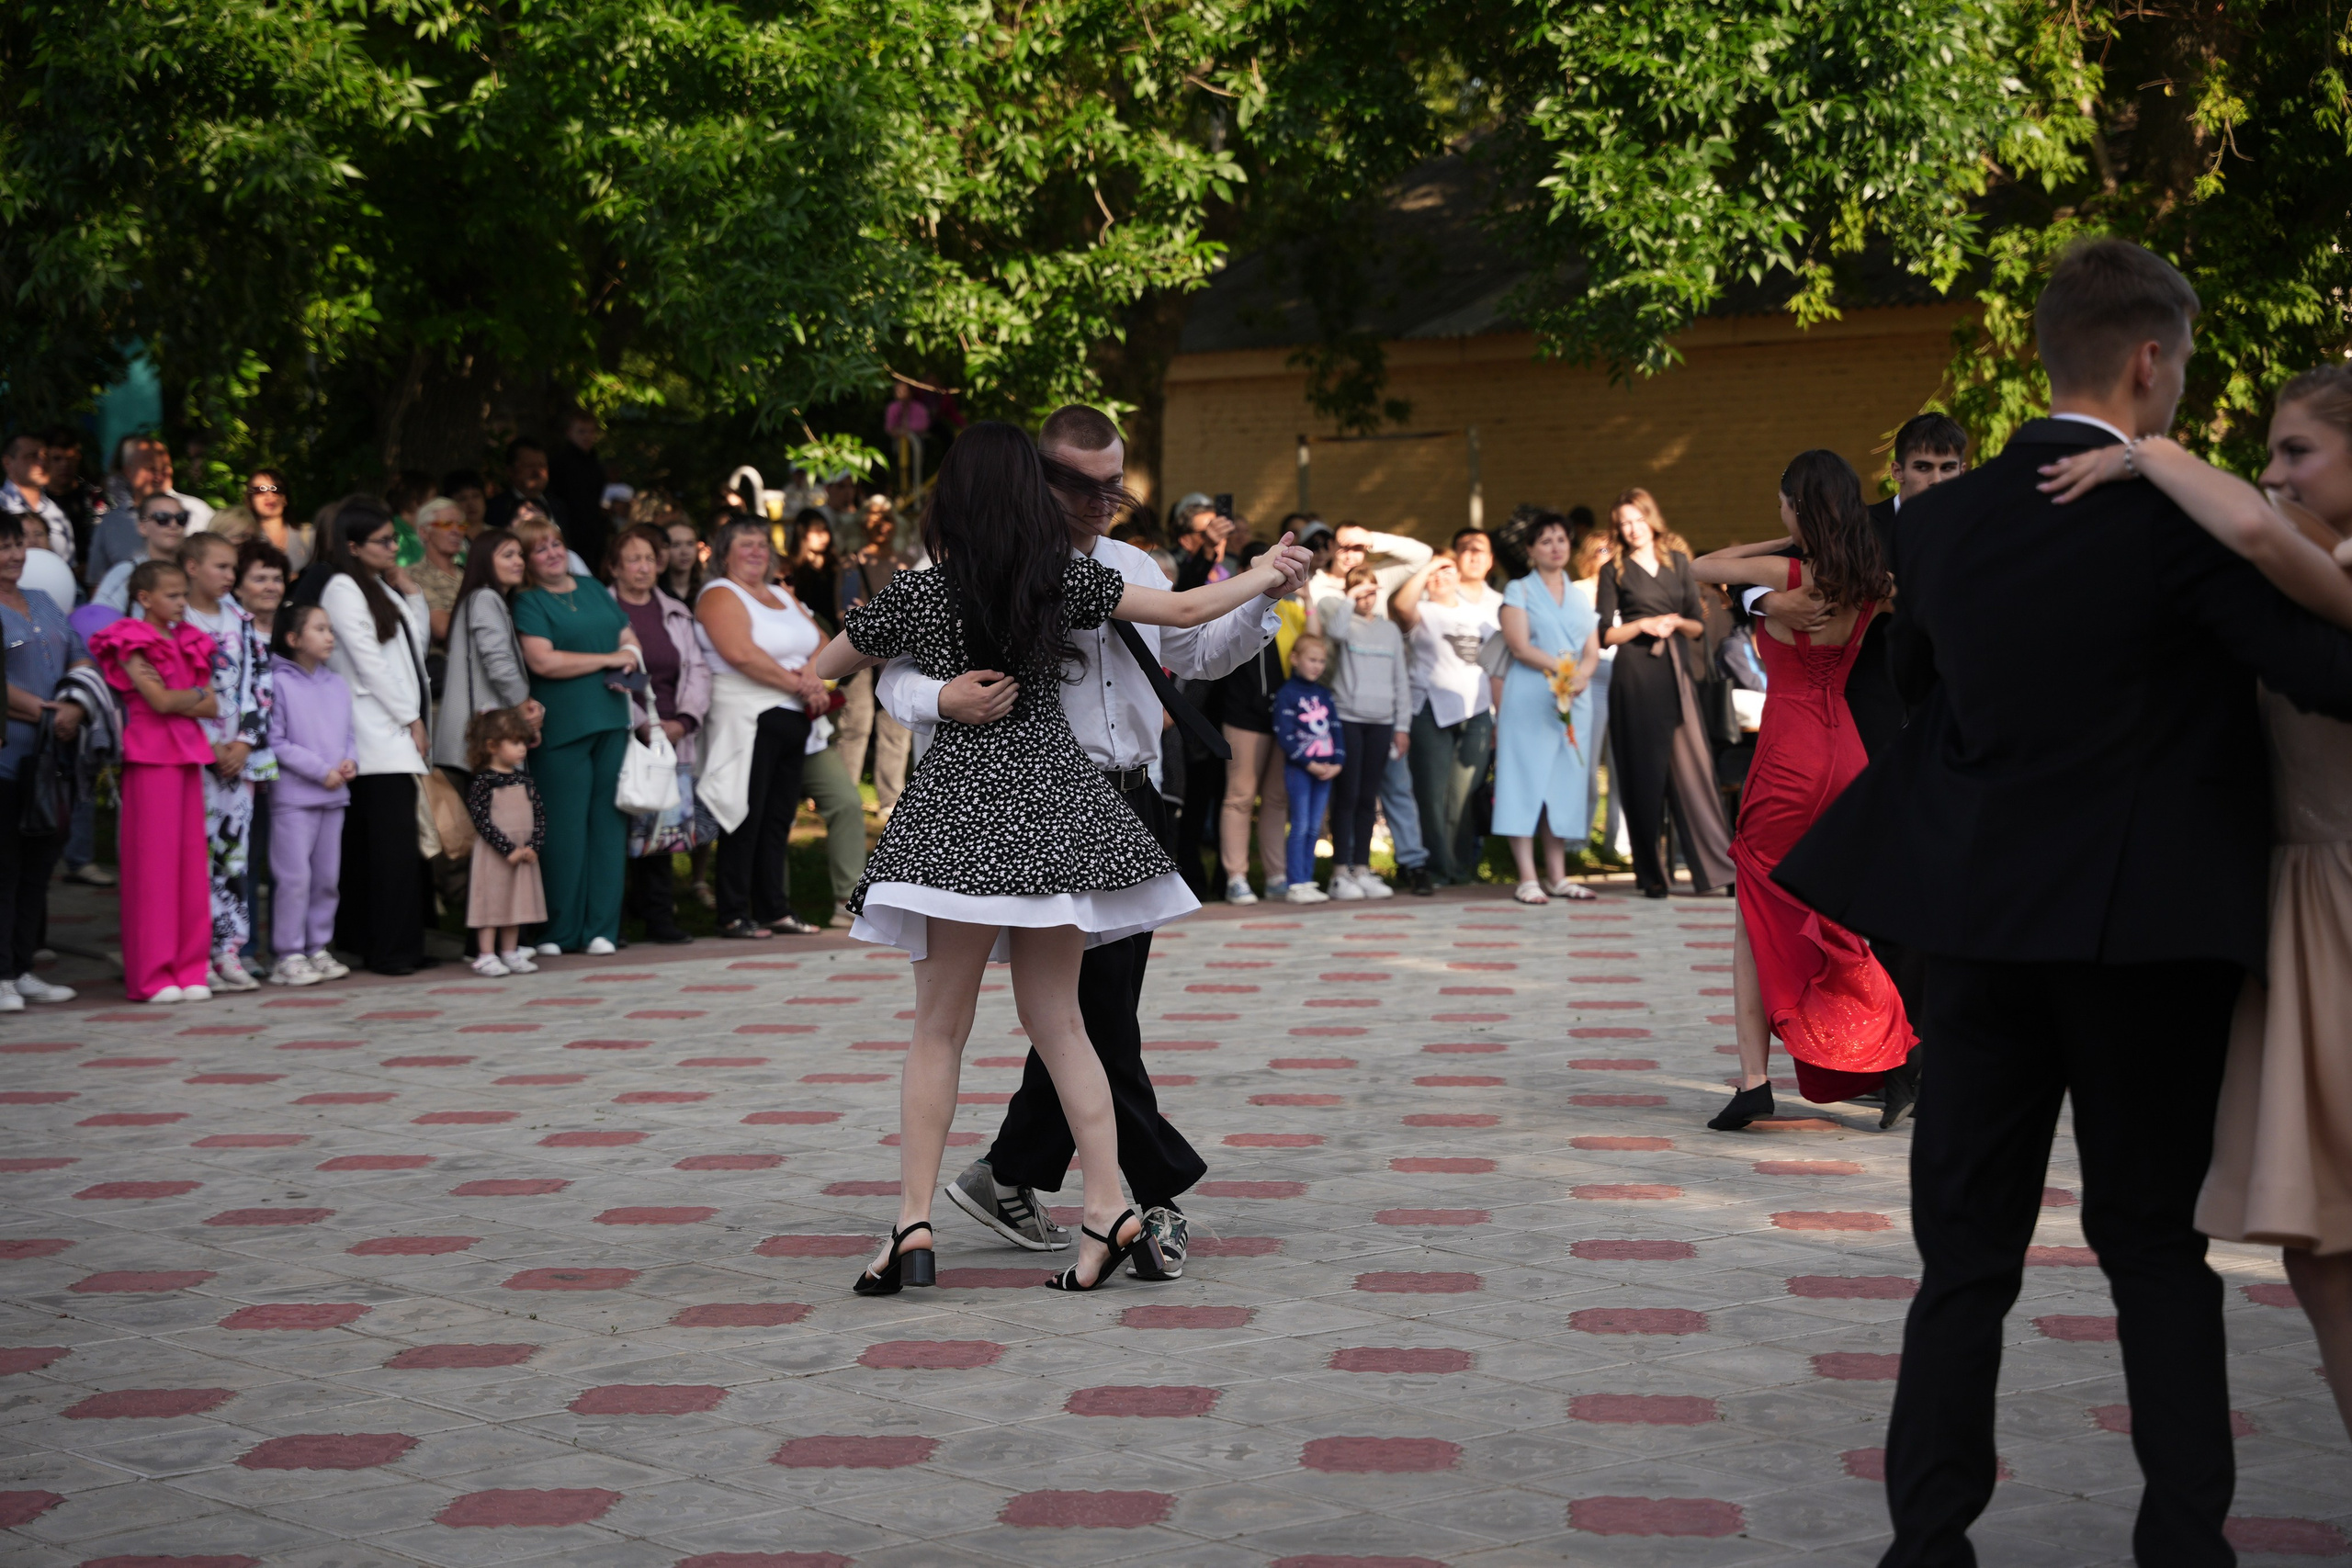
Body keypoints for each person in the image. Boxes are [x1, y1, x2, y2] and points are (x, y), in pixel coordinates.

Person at [1775, 239, 2352, 1568]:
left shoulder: (1939, 519)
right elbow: (2322, 671)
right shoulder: (2177, 517)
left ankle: (1928, 1539)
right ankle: (2183, 1543)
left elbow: (1915, 693)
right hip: (2146, 937)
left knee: (1963, 1255)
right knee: (2153, 1249)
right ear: (2152, 359)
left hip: (1973, 925)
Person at [814, 419, 1305, 1296]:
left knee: (940, 1027)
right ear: (1032, 490)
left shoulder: (923, 591)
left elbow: (828, 665)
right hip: (1061, 806)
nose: (1102, 498)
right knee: (1068, 1023)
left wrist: (907, 666)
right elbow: (1190, 610)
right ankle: (1111, 1207)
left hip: (963, 813)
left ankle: (914, 1223)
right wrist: (1269, 568)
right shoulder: (1068, 580)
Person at [2039, 363, 2352, 1445]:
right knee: (2321, 1237)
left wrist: (2144, 452)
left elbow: (2263, 539)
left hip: (2343, 901)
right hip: (2303, 907)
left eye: (2298, 451)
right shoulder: (2304, 543)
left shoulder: (2318, 561)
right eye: (2268, 453)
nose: (2275, 475)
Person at [1689, 452, 1917, 1134]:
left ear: (1796, 508)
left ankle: (1759, 1080)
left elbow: (1700, 566)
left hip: (1789, 753)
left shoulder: (1785, 573)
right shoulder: (1875, 582)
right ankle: (1894, 1052)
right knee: (1834, 916)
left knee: (1753, 916)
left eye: (1784, 504)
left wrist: (1780, 554)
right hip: (1846, 751)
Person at [301, 497, 433, 976]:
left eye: (394, 538)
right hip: (374, 731)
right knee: (387, 850)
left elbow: (414, 645)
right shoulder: (341, 587)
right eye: (383, 541)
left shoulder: (377, 586)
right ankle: (389, 949)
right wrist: (411, 717)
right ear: (353, 546)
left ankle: (394, 943)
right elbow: (368, 662)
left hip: (391, 728)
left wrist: (411, 592)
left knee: (391, 849)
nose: (394, 547)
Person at [88, 561, 219, 1003]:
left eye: (184, 594)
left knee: (189, 866)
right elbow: (159, 700)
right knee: (154, 869)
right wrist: (193, 698)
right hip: (149, 755)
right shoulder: (130, 638)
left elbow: (212, 705)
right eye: (173, 595)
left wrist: (189, 700)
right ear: (145, 598)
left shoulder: (190, 640)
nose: (183, 603)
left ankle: (190, 967)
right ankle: (153, 973)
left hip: (186, 756)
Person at [1594, 491, 1734, 897]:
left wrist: (1672, 622)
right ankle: (1651, 873)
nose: (1631, 529)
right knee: (1643, 775)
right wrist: (1642, 625)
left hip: (1677, 671)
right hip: (1635, 675)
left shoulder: (1678, 563)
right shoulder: (1614, 570)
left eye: (1636, 520)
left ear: (1652, 518)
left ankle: (1719, 869)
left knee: (1695, 771)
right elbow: (1604, 634)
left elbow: (1697, 624)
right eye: (1622, 523)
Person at [694, 518, 826, 939]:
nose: (756, 552)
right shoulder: (719, 594)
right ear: (723, 552)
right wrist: (803, 686)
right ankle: (733, 911)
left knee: (778, 818)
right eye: (746, 544)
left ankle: (774, 907)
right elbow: (741, 654)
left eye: (763, 545)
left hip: (792, 717)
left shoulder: (781, 594)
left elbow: (822, 641)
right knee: (743, 814)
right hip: (747, 717)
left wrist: (811, 675)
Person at [512, 516, 637, 954]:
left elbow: (627, 636)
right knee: (564, 831)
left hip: (611, 719)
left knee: (608, 826)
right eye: (540, 548)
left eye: (556, 543)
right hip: (562, 727)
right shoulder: (527, 601)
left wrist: (629, 656)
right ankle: (559, 932)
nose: (552, 553)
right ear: (528, 561)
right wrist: (609, 659)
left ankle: (602, 929)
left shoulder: (592, 588)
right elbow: (544, 662)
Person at [0, 511, 88, 1009]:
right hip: (9, 757)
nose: (13, 556)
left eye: (17, 546)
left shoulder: (42, 601)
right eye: (3, 547)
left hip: (52, 760)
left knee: (38, 868)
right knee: (4, 867)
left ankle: (24, 965)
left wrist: (76, 703)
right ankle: (1, 975)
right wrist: (44, 710)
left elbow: (79, 654)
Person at [178, 534, 273, 992]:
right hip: (194, 758)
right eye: (220, 567)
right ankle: (193, 953)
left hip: (238, 758)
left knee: (232, 856)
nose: (230, 577)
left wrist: (246, 742)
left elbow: (261, 683)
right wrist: (206, 746)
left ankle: (229, 950)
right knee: (193, 853)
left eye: (233, 568)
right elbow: (174, 686)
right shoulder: (178, 619)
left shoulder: (242, 619)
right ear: (192, 568)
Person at [608, 524, 709, 944]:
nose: (644, 567)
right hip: (624, 733)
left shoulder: (675, 610)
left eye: (650, 558)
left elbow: (697, 670)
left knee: (664, 828)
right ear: (613, 567)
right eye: (634, 559)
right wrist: (643, 725)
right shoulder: (606, 612)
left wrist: (683, 720)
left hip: (674, 734)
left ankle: (659, 917)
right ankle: (612, 918)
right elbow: (611, 674)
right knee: (621, 825)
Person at [1491, 513, 1601, 903]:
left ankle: (1558, 874)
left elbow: (1592, 648)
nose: (1556, 547)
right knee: (1524, 779)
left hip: (1572, 697)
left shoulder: (1580, 594)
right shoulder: (1519, 590)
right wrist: (1566, 669)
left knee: (1564, 782)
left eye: (1561, 539)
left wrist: (1583, 675)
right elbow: (1520, 646)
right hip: (1530, 695)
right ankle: (1527, 876)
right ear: (1530, 551)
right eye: (1545, 541)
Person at [1391, 533, 1503, 885]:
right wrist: (1427, 569)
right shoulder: (1421, 610)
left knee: (1464, 796)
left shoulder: (1483, 615)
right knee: (1431, 794)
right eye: (1436, 571)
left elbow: (1496, 668)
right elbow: (1401, 608)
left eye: (1447, 569)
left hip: (1477, 714)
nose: (1442, 576)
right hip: (1429, 713)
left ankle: (1461, 868)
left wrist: (1500, 718)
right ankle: (1435, 868)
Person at [264, 604, 356, 987]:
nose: (330, 636)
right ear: (293, 639)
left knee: (326, 878)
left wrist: (350, 762)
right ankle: (288, 953)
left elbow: (349, 734)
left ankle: (318, 946)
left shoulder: (337, 684)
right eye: (320, 629)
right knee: (294, 877)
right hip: (294, 798)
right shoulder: (277, 682)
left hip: (334, 797)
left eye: (330, 628)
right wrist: (322, 771)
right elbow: (275, 741)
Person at [1315, 565, 1411, 899]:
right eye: (1361, 593)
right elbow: (1337, 632)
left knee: (1368, 798)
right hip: (1348, 718)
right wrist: (1350, 599)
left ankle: (1362, 868)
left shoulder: (1390, 631)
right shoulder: (1344, 622)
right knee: (1347, 796)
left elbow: (1401, 679)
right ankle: (1340, 873)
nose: (1368, 599)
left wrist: (1402, 726)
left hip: (1382, 722)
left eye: (1372, 591)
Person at [1212, 541, 1295, 904]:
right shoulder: (1232, 605)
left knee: (1277, 799)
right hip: (1243, 716)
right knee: (1240, 796)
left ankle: (1277, 876)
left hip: (1284, 717)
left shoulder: (1291, 608)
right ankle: (1236, 876)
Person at [432, 528, 537, 775]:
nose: (518, 561)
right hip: (481, 740)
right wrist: (524, 707)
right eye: (508, 555)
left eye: (520, 555)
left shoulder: (481, 598)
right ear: (485, 561)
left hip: (478, 737)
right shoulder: (486, 598)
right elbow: (500, 664)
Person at [834, 501, 911, 815]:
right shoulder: (851, 562)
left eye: (889, 517)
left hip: (897, 655)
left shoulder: (905, 562)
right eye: (876, 517)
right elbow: (845, 612)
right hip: (861, 654)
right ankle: (844, 796)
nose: (883, 523)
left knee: (896, 725)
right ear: (862, 522)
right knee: (856, 723)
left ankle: (891, 799)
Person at [463, 707, 548, 976]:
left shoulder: (525, 780)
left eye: (523, 742)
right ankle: (486, 955)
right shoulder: (483, 782)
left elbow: (539, 815)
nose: (522, 748)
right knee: (492, 903)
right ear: (492, 746)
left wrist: (534, 845)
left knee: (516, 903)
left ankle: (510, 952)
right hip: (495, 855)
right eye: (515, 742)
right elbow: (481, 821)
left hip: (523, 853)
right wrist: (507, 849)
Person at [1566, 520, 1624, 858]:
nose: (1610, 555)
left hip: (1624, 674)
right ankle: (1576, 840)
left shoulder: (1627, 587)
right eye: (1603, 549)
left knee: (1622, 763)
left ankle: (1619, 843)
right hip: (1589, 676)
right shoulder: (1577, 591)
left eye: (1614, 549)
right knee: (1585, 763)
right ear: (1589, 555)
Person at [1272, 634, 1344, 903]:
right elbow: (1285, 735)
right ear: (1295, 659)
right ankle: (1295, 883)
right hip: (1301, 769)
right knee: (1300, 824)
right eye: (1312, 660)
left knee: (1315, 826)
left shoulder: (1323, 693)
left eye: (1322, 661)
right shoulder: (1287, 694)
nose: (1317, 666)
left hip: (1325, 769)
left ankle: (1308, 880)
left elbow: (1335, 727)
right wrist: (1308, 763)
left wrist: (1337, 762)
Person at [94, 492, 190, 611]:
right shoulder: (126, 572)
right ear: (142, 527)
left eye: (181, 518)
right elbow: (99, 617)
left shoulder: (194, 572)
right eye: (162, 518)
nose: (174, 525)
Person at [547, 412, 611, 570]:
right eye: (582, 431)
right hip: (570, 529)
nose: (587, 436)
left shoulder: (594, 462)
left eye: (591, 431)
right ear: (569, 432)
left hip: (593, 531)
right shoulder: (560, 463)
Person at [2, 432, 75, 562]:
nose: (42, 462)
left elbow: (67, 565)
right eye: (31, 456)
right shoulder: (2, 505)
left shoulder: (57, 513)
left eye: (45, 456)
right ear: (8, 463)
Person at [482, 438, 573, 536]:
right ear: (510, 471)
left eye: (542, 466)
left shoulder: (558, 506)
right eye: (529, 465)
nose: (537, 472)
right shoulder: (495, 509)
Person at [412, 496, 469, 650]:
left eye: (461, 525)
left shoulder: (468, 573)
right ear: (424, 532)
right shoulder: (414, 575)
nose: (457, 531)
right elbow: (443, 629)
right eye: (447, 524)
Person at [784, 510, 839, 634]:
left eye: (824, 530)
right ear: (802, 533)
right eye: (816, 531)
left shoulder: (835, 566)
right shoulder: (791, 570)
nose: (822, 536)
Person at [662, 518, 706, 605]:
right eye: (676, 545)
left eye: (690, 544)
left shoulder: (706, 589)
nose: (685, 552)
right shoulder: (655, 592)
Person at [439, 469, 488, 534]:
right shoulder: (445, 538)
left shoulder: (498, 536)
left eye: (476, 496)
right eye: (462, 499)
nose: (471, 503)